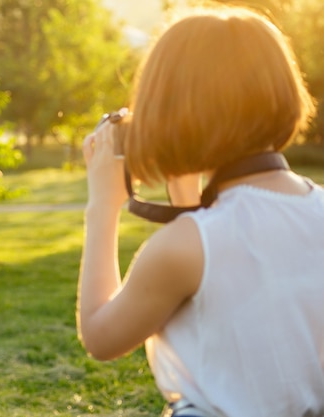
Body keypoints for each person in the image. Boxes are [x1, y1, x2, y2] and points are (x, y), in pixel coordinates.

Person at [77, 5, 324, 417]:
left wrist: (103, 206)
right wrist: (187, 190)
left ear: (170, 109)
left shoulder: (182, 247)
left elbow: (102, 338)